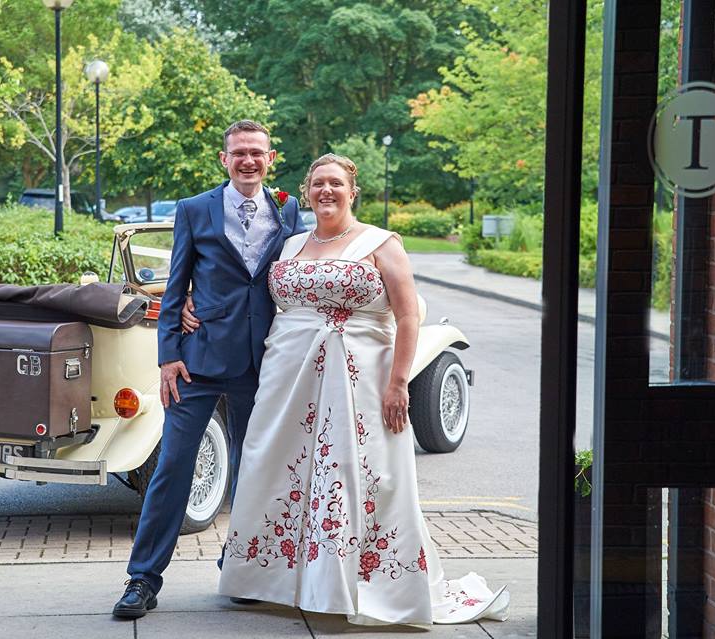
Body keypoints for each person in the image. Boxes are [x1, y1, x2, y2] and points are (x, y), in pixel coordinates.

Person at [214, 153, 510, 625]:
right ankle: (274, 580)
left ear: (353, 191)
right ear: (306, 192)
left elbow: (409, 314)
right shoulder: (289, 245)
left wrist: (399, 382)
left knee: (364, 474)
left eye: (335, 183)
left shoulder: (381, 243)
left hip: (361, 380)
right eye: (317, 184)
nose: (325, 191)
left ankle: (355, 582)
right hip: (287, 381)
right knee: (273, 469)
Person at [112, 120, 306, 619]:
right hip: (195, 361)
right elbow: (176, 285)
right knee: (173, 467)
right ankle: (142, 579)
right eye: (239, 152)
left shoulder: (286, 208)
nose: (248, 160)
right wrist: (168, 354)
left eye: (256, 152)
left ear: (270, 157)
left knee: (253, 468)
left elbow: (299, 268)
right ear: (224, 159)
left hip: (261, 361)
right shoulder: (194, 209)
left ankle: (237, 566)